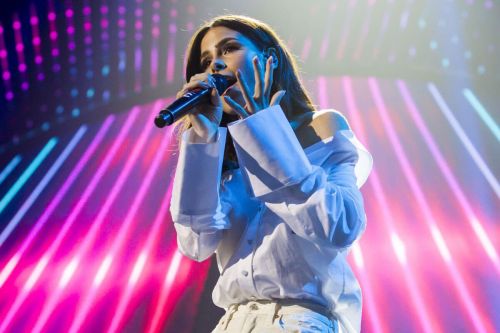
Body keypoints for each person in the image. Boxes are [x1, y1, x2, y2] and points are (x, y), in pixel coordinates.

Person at [169, 14, 373, 333]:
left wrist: (262, 127)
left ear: (270, 58)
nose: (215, 67)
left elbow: (339, 226)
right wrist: (203, 140)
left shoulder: (320, 128)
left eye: (229, 49)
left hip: (298, 320)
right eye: (206, 61)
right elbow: (196, 243)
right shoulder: (224, 157)